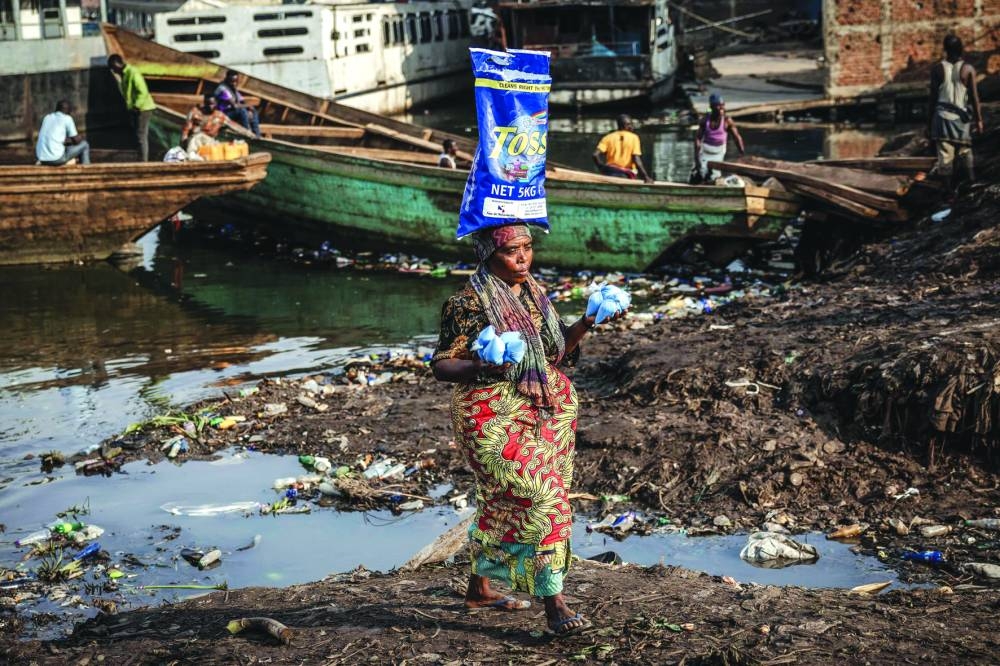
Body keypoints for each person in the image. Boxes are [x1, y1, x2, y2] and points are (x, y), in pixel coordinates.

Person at [431, 223, 625, 637]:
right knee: (544, 495)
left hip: (541, 410)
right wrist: (480, 365)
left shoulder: (535, 296)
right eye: (512, 251)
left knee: (500, 500)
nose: (523, 258)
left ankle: (479, 589)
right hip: (489, 414)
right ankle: (554, 602)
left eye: (528, 247)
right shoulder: (466, 303)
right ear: (488, 254)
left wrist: (589, 319)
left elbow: (555, 352)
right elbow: (441, 364)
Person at [928, 34, 983, 198]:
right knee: (965, 151)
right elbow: (974, 97)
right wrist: (979, 120)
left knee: (945, 155)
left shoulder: (937, 69)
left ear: (945, 49)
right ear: (961, 48)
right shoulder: (968, 69)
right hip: (961, 118)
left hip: (942, 117)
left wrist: (928, 122)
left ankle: (949, 192)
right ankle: (971, 183)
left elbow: (932, 99)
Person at [107, 54, 157, 161]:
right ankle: (141, 158)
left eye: (113, 68)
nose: (113, 71)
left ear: (117, 64)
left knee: (141, 135)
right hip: (135, 108)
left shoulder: (132, 73)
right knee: (138, 135)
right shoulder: (123, 75)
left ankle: (144, 162)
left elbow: (143, 92)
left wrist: (136, 106)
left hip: (143, 108)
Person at [694, 93, 745, 183]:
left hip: (719, 152)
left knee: (713, 178)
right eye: (719, 106)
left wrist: (742, 152)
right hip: (705, 151)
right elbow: (698, 139)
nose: (722, 108)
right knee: (698, 175)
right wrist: (696, 158)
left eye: (723, 105)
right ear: (712, 107)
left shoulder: (726, 121)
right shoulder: (705, 120)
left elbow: (737, 137)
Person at [592, 114, 653, 183]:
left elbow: (595, 155)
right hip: (625, 174)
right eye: (630, 124)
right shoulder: (634, 138)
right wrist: (645, 177)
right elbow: (636, 159)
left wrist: (601, 168)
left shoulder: (608, 137)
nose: (632, 127)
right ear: (626, 125)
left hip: (610, 173)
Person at [35, 100, 90, 166]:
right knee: (85, 144)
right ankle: (86, 168)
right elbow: (76, 140)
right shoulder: (67, 118)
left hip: (41, 158)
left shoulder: (47, 117)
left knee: (67, 146)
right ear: (68, 111)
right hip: (56, 159)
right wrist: (81, 137)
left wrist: (68, 141)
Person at [215, 70, 261, 138]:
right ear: (227, 79)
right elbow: (235, 106)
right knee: (241, 110)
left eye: (235, 81)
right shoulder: (223, 89)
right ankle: (247, 133)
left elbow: (241, 101)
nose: (234, 83)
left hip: (232, 111)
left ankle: (257, 135)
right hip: (223, 114)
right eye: (232, 81)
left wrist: (249, 108)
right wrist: (246, 106)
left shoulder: (232, 88)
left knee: (252, 110)